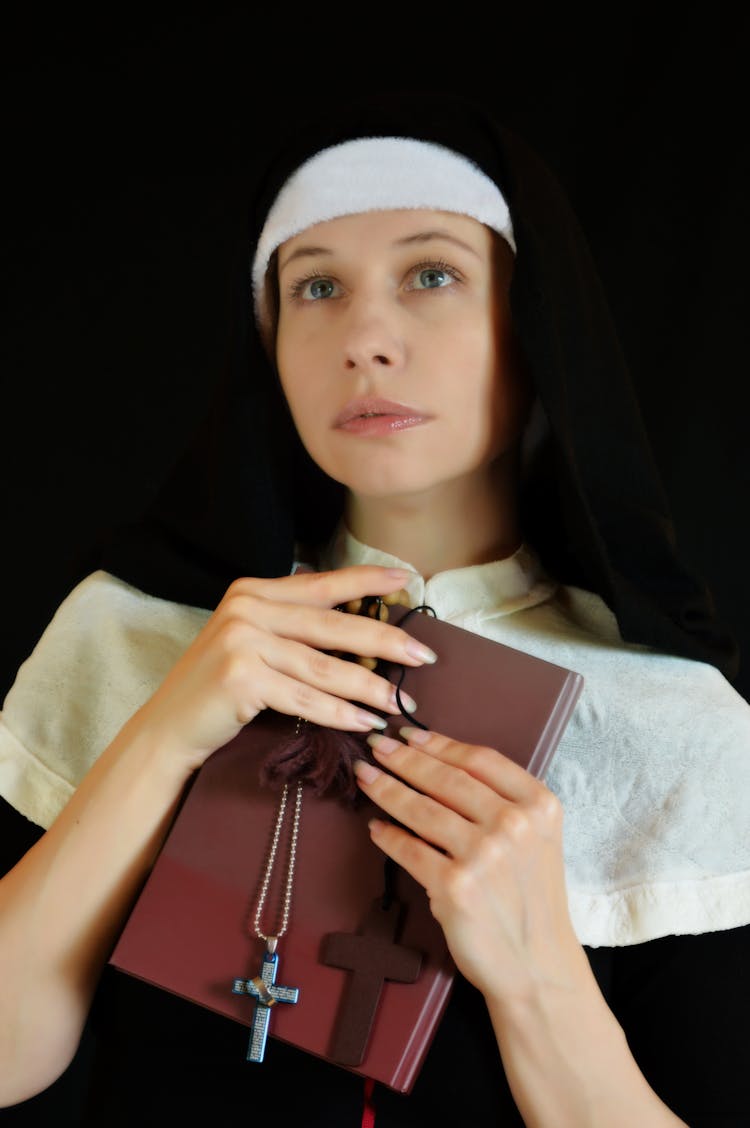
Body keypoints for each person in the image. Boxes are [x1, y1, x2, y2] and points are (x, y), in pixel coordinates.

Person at [1, 89, 749, 1127]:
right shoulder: (128, 632)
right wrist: (160, 736)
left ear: (533, 329)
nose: (365, 337)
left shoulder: (680, 718)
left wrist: (538, 974)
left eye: (432, 273)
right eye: (315, 287)